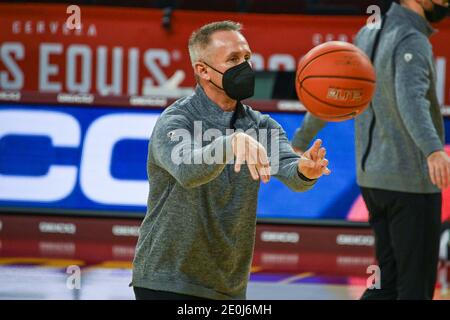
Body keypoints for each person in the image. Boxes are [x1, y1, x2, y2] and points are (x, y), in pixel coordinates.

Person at [130, 21, 331, 300]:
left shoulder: (261, 125)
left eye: (247, 57)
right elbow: (188, 170)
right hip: (168, 280)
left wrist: (306, 170)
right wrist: (231, 143)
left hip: (229, 284)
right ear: (202, 70)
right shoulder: (176, 120)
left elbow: (290, 170)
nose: (245, 67)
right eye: (233, 59)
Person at [292, 0, 450, 300]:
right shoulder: (411, 40)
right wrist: (433, 150)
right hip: (409, 183)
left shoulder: (367, 31)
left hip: (373, 182)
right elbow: (411, 102)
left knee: (385, 284)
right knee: (413, 287)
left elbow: (331, 94)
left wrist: (300, 139)